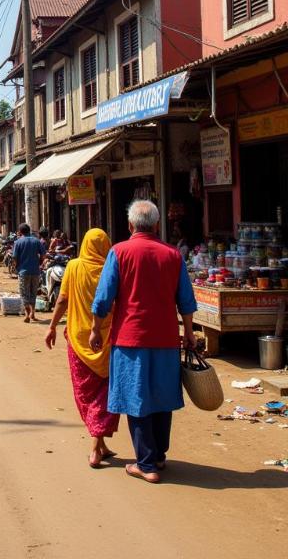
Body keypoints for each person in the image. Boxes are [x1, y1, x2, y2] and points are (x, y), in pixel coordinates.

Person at [90, 200, 198, 484]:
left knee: (136, 399)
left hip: (130, 340)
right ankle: (159, 455)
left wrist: (95, 329)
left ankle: (146, 464)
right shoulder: (172, 254)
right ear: (157, 225)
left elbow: (103, 299)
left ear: (130, 225)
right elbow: (186, 300)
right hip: (165, 339)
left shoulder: (119, 252)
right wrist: (188, 332)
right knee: (162, 397)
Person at [45, 228, 119, 468]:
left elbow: (62, 299)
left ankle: (96, 447)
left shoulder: (74, 267)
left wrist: (52, 326)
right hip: (108, 340)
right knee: (105, 391)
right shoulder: (112, 269)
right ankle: (100, 444)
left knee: (85, 392)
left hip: (79, 339)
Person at [13, 223, 45, 322]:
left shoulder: (18, 242)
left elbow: (15, 257)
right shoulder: (37, 241)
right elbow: (43, 255)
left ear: (20, 231)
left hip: (23, 271)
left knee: (24, 293)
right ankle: (33, 314)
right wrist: (39, 264)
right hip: (35, 271)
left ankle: (27, 314)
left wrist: (16, 267)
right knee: (33, 293)